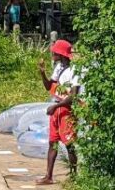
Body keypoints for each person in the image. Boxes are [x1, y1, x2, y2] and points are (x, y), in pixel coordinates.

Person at [36, 39, 80, 184]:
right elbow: (50, 86)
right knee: (52, 142)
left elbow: (73, 96)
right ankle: (48, 176)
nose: (52, 53)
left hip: (66, 110)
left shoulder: (74, 71)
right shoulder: (59, 67)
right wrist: (43, 73)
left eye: (55, 51)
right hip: (56, 108)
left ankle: (74, 177)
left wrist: (55, 106)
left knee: (69, 144)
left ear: (61, 54)